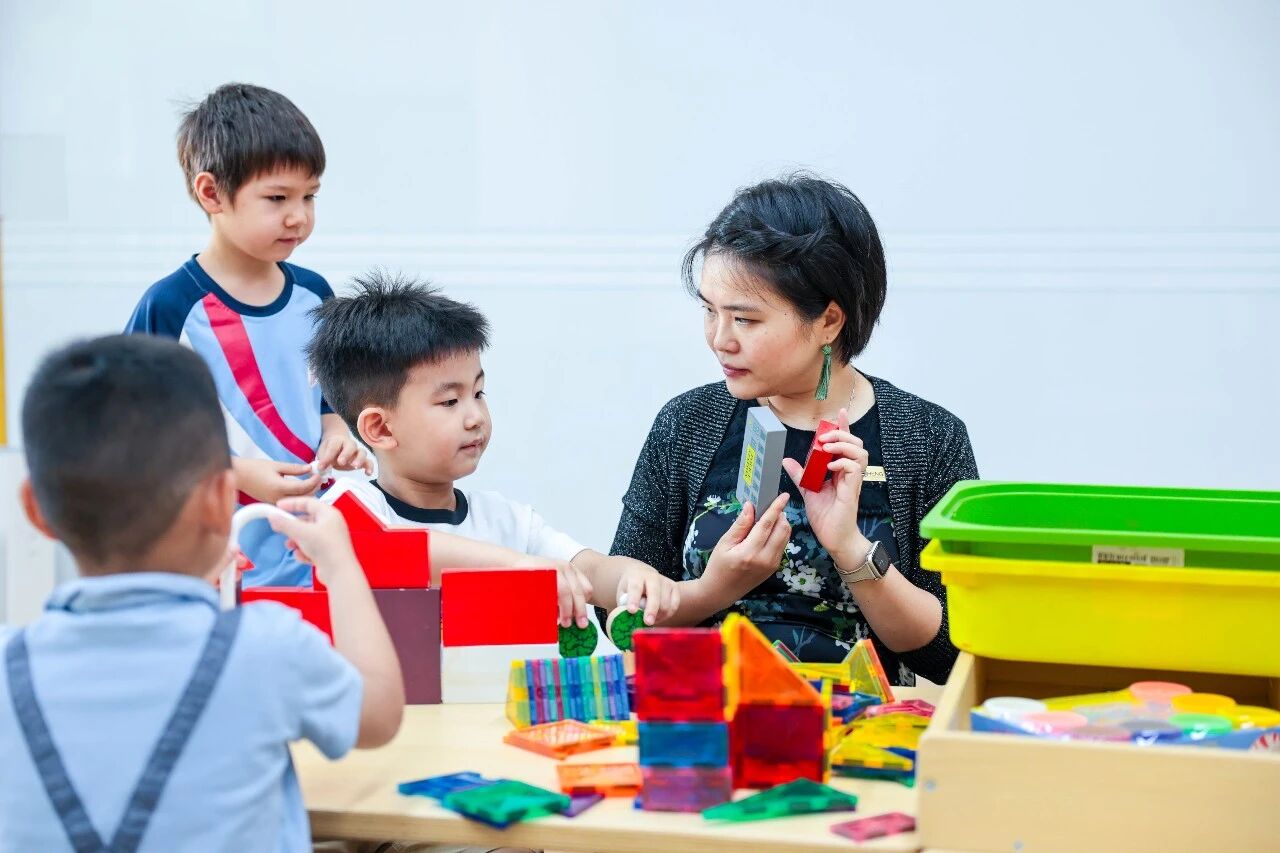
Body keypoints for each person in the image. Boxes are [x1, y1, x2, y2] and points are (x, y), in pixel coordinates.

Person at [0, 335, 403, 850]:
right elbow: (380, 712)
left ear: (36, 512)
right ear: (221, 498)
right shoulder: (265, 648)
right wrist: (341, 564)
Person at [611, 174, 978, 685]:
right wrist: (715, 589)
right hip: (704, 715)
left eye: (745, 320)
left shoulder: (927, 438)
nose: (719, 339)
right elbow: (620, 616)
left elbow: (952, 651)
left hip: (856, 722)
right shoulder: (688, 424)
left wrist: (850, 548)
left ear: (828, 321)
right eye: (710, 311)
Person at [306, 271, 682, 627]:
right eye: (450, 401)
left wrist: (631, 576)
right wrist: (518, 565)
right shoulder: (343, 510)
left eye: (478, 392)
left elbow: (590, 572)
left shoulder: (508, 522)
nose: (475, 417)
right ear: (380, 428)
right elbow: (388, 550)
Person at [125, 82, 368, 587]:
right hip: (216, 561)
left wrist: (337, 435)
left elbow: (329, 397)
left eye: (310, 196)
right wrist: (234, 474)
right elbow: (134, 436)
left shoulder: (315, 294)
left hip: (313, 557)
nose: (299, 216)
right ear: (211, 193)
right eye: (277, 198)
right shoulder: (170, 307)